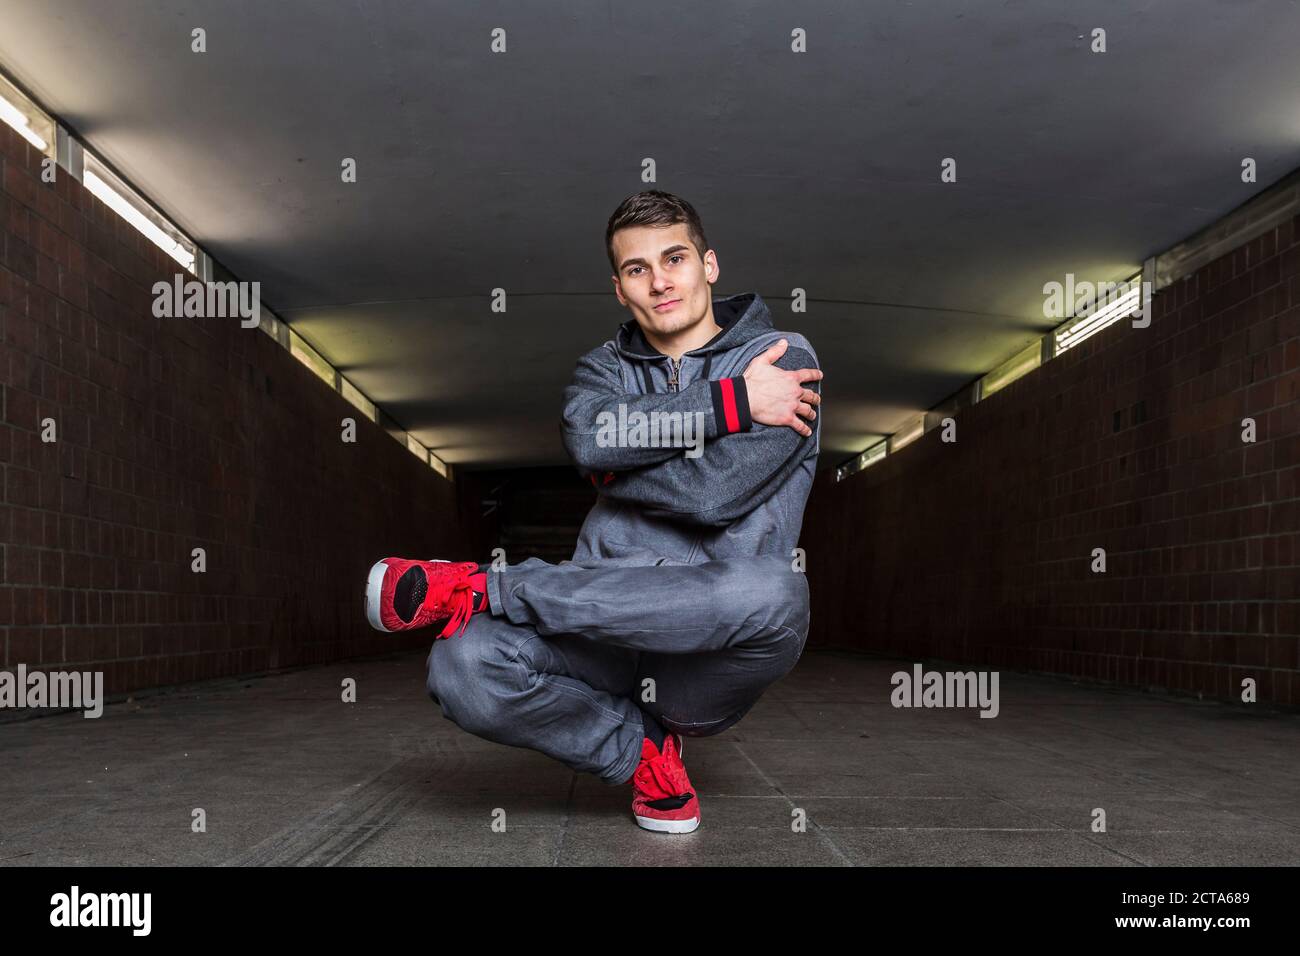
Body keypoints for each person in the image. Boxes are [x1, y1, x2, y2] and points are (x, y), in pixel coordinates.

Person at [365, 190, 822, 833]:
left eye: (675, 258)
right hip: (597, 631)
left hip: (705, 651)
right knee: (461, 665)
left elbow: (714, 494)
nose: (660, 281)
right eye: (638, 269)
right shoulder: (601, 371)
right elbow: (589, 440)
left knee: (777, 591)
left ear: (709, 265)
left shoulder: (781, 359)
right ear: (619, 288)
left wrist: (620, 461)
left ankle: (486, 586)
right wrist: (733, 406)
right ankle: (643, 757)